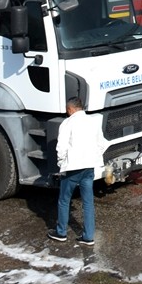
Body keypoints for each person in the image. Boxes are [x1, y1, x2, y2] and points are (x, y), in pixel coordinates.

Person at [49, 97, 105, 245]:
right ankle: (88, 236)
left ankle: (61, 232)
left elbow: (61, 147)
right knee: (88, 202)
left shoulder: (67, 123)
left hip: (72, 168)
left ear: (70, 109)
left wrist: (62, 164)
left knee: (64, 200)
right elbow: (101, 144)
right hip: (89, 167)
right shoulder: (93, 121)